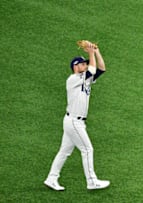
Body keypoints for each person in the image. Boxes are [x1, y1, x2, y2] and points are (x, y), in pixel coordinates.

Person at [44, 41, 110, 191]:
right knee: (87, 150)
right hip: (74, 121)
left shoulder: (85, 79)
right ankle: (92, 181)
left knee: (64, 151)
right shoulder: (73, 79)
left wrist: (96, 51)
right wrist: (90, 53)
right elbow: (92, 70)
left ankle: (51, 178)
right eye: (82, 64)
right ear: (76, 66)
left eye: (86, 64)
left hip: (72, 121)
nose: (86, 65)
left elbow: (101, 69)